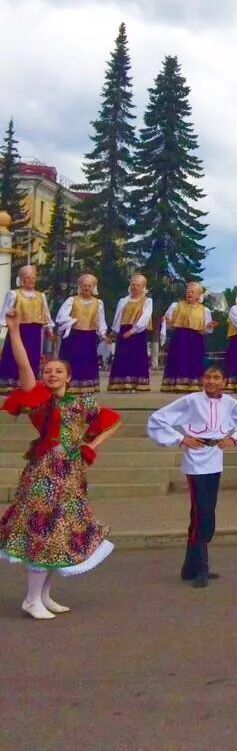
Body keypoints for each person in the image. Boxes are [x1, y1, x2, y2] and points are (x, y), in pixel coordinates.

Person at [1, 307, 120, 620]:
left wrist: (90, 446)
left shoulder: (82, 403)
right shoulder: (40, 400)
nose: (51, 375)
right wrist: (14, 332)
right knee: (43, 531)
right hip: (44, 475)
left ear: (68, 376)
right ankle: (30, 598)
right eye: (48, 371)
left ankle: (43, 595)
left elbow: (112, 422)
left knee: (60, 533)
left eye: (58, 371)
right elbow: (24, 365)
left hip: (70, 476)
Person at [146, 365, 237, 588]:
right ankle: (202, 567)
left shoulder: (231, 404)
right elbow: (158, 419)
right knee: (201, 513)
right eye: (207, 377)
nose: (211, 381)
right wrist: (180, 439)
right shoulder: (191, 400)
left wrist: (234, 439)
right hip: (195, 462)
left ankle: (189, 567)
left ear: (224, 380)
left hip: (215, 459)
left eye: (216, 378)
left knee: (207, 514)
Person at [0, 264, 55, 395]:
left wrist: (50, 329)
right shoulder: (14, 294)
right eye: (28, 278)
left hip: (35, 331)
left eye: (33, 278)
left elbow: (46, 314)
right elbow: (4, 312)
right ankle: (10, 383)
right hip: (18, 329)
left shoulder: (41, 296)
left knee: (33, 356)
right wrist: (2, 324)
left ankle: (29, 384)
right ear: (22, 279)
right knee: (13, 355)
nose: (31, 280)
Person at [55, 273, 108, 392]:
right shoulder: (72, 300)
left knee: (87, 362)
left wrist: (103, 334)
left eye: (89, 286)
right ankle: (69, 387)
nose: (86, 288)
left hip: (89, 336)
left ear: (93, 287)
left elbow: (100, 320)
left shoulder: (98, 303)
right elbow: (60, 317)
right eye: (84, 286)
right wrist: (71, 321)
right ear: (80, 287)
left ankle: (87, 388)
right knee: (72, 361)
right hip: (74, 336)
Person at [161, 282, 214, 393]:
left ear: (198, 295)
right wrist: (167, 322)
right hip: (180, 337)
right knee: (178, 359)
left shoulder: (204, 310)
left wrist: (208, 326)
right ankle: (175, 384)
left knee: (194, 360)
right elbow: (168, 323)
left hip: (196, 339)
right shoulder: (176, 306)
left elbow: (207, 330)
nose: (189, 293)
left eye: (192, 292)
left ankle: (193, 384)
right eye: (188, 291)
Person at [107, 274, 153, 393]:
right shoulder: (123, 301)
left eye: (138, 285)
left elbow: (145, 317)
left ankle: (135, 384)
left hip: (138, 332)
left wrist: (133, 330)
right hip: (123, 330)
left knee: (136, 357)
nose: (135, 287)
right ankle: (121, 384)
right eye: (133, 284)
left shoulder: (147, 301)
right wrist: (114, 331)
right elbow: (118, 317)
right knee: (122, 356)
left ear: (143, 287)